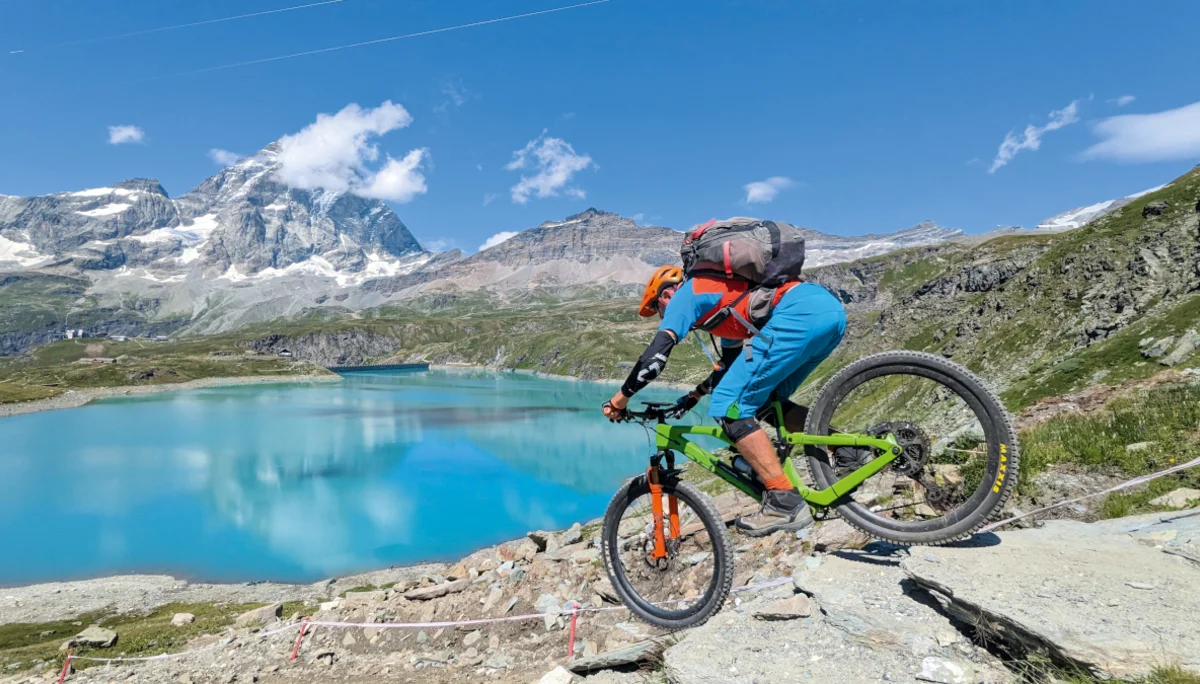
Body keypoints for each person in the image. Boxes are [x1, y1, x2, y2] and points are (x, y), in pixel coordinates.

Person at [602, 262, 847, 536]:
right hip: (827, 311)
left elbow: (655, 358)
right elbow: (730, 363)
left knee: (728, 406)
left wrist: (619, 399)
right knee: (764, 401)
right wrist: (695, 395)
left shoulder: (685, 295)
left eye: (658, 310)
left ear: (665, 296)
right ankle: (846, 449)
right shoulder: (721, 300)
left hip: (797, 315)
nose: (662, 317)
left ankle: (784, 500)